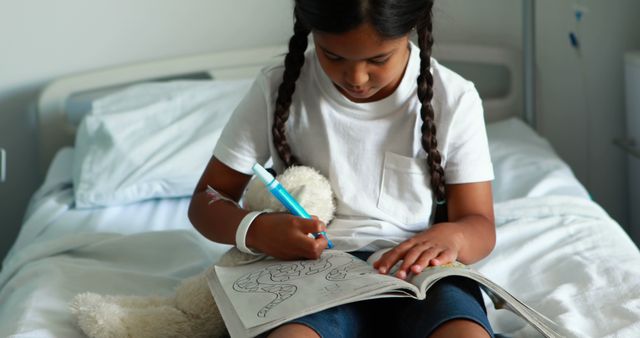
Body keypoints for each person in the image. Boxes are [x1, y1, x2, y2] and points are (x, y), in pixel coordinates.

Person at [188, 0, 496, 337]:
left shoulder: (454, 98)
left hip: (419, 274)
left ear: (412, 28)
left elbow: (480, 224)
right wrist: (258, 230)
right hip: (312, 271)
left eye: (378, 59)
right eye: (332, 55)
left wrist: (454, 235)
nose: (356, 78)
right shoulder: (277, 88)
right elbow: (207, 199)